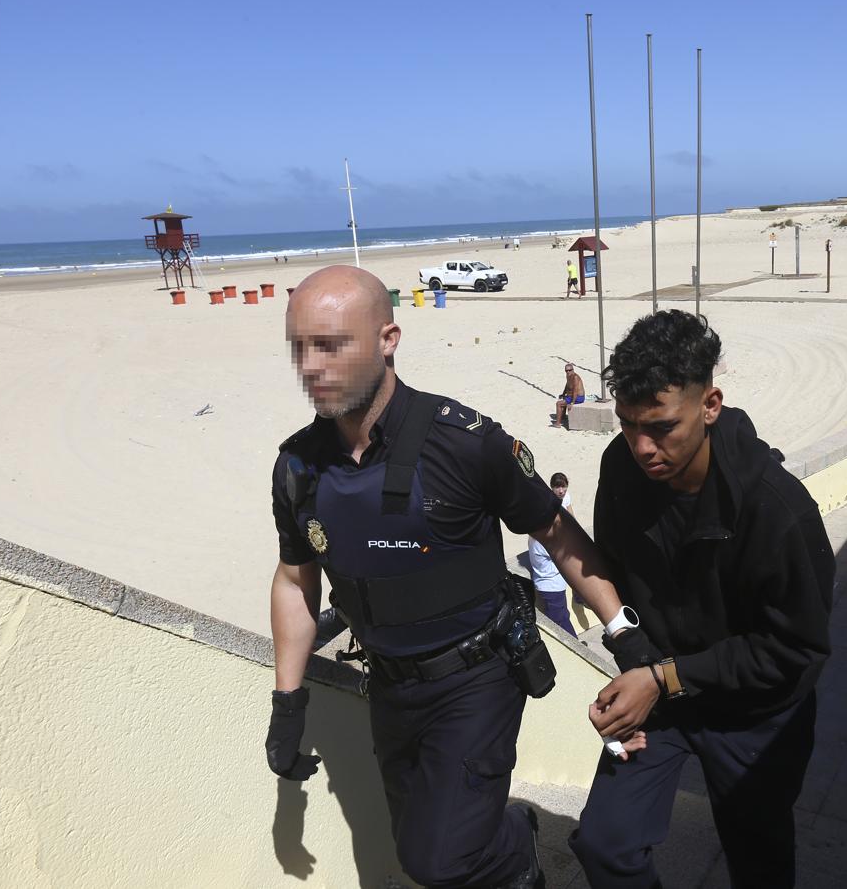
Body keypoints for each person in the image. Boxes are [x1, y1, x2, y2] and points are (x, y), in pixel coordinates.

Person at [266, 265, 646, 889]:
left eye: (332, 345)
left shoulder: (464, 442)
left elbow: (554, 529)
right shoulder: (298, 467)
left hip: (477, 679)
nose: (311, 366)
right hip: (388, 688)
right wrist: (288, 703)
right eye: (300, 347)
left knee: (437, 861)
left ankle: (519, 855)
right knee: (416, 842)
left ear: (388, 338)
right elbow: (294, 581)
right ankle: (501, 842)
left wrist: (620, 631)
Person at [569, 310, 833, 889]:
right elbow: (616, 577)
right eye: (628, 425)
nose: (642, 447)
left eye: (662, 426)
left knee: (758, 861)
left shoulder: (778, 511)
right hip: (663, 697)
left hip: (757, 715)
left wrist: (663, 676)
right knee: (604, 845)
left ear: (710, 405)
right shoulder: (621, 468)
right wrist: (637, 667)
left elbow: (798, 649)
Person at [528, 473, 577, 637]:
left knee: (562, 617)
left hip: (553, 584)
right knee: (562, 624)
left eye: (564, 486)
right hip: (551, 587)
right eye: (558, 487)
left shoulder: (538, 533)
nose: (562, 491)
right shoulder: (543, 539)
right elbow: (565, 555)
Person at [554, 362, 586, 428]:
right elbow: (567, 385)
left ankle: (558, 423)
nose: (568, 372)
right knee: (564, 398)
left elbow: (575, 391)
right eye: (566, 371)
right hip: (571, 396)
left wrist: (572, 403)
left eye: (569, 370)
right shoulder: (568, 376)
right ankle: (562, 417)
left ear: (573, 370)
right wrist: (563, 393)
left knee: (558, 403)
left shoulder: (575, 377)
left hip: (578, 397)